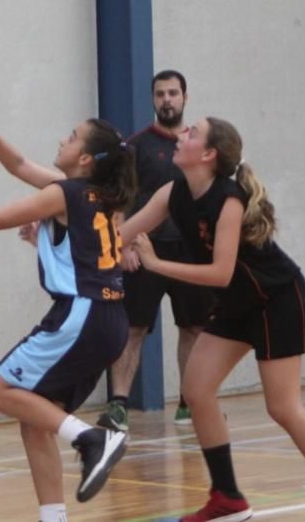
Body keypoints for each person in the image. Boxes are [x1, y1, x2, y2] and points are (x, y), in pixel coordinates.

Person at [120, 117, 305, 522]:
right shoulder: (172, 193)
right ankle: (228, 499)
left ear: (208, 155)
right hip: (237, 302)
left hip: (277, 299)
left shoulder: (229, 200)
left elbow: (220, 272)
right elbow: (117, 237)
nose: (182, 133)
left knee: (284, 408)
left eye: (193, 132)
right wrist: (55, 227)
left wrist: (156, 263)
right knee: (198, 390)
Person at [0, 99, 132, 522]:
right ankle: (54, 518)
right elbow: (17, 165)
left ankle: (92, 438)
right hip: (109, 321)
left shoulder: (64, 193)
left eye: (71, 137)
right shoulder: (97, 194)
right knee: (34, 417)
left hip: (82, 315)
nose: (62, 139)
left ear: (85, 158)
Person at [99, 69, 216, 433]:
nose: (167, 100)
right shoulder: (135, 147)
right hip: (145, 251)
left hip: (190, 253)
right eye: (160, 94)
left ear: (185, 97)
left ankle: (189, 402)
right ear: (152, 99)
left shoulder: (199, 148)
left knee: (194, 328)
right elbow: (120, 201)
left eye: (173, 93)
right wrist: (126, 245)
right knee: (131, 329)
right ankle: (118, 404)